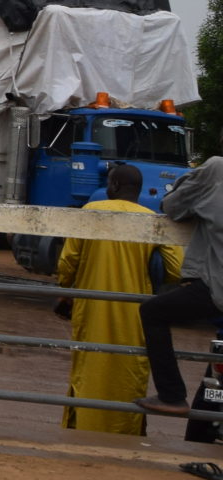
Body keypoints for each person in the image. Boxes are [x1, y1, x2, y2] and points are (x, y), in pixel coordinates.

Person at [56, 164, 183, 433]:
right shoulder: (153, 220)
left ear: (112, 187)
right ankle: (124, 427)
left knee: (89, 367)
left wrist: (66, 289)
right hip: (134, 313)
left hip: (91, 309)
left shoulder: (91, 213)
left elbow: (67, 263)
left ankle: (82, 426)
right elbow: (176, 269)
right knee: (128, 369)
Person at [135, 156, 223, 417]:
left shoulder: (216, 169)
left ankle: (171, 395)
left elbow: (172, 205)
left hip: (216, 288)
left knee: (153, 312)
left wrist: (188, 179)